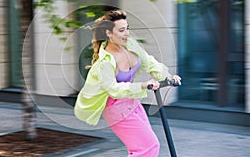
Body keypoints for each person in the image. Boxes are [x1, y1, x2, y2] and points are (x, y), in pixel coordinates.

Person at [74, 10, 181, 157]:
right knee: (148, 146)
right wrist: (142, 85)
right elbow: (113, 89)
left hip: (133, 103)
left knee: (142, 148)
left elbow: (149, 62)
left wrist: (168, 77)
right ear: (108, 33)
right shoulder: (105, 62)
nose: (127, 34)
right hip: (115, 109)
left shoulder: (130, 45)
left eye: (127, 28)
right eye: (121, 30)